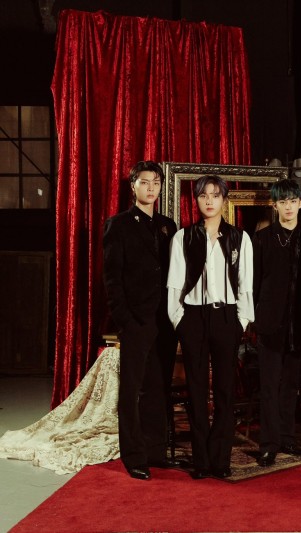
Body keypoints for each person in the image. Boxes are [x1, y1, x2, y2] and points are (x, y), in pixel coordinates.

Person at [166, 175, 254, 479]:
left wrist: (241, 321)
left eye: (215, 195)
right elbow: (174, 284)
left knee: (226, 390)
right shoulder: (183, 237)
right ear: (196, 200)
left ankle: (221, 459)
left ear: (224, 200)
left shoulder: (239, 238)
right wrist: (179, 319)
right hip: (193, 317)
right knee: (197, 390)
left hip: (226, 317)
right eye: (204, 195)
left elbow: (245, 285)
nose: (209, 201)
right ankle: (201, 461)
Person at [103, 161, 178, 480]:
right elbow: (112, 278)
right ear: (133, 186)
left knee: (158, 387)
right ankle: (134, 456)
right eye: (144, 182)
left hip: (165, 320)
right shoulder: (118, 224)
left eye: (156, 183)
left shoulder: (168, 225)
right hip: (136, 320)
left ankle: (155, 452)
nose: (151, 188)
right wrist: (125, 319)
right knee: (132, 390)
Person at [252, 179, 301, 467]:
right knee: (269, 385)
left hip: (298, 324)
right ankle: (269, 443)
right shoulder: (262, 239)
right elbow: (252, 283)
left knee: (290, 385)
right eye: (283, 201)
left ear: (300, 203)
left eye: (293, 201)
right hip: (269, 323)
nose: (288, 206)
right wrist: (253, 320)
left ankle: (287, 437)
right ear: (274, 205)